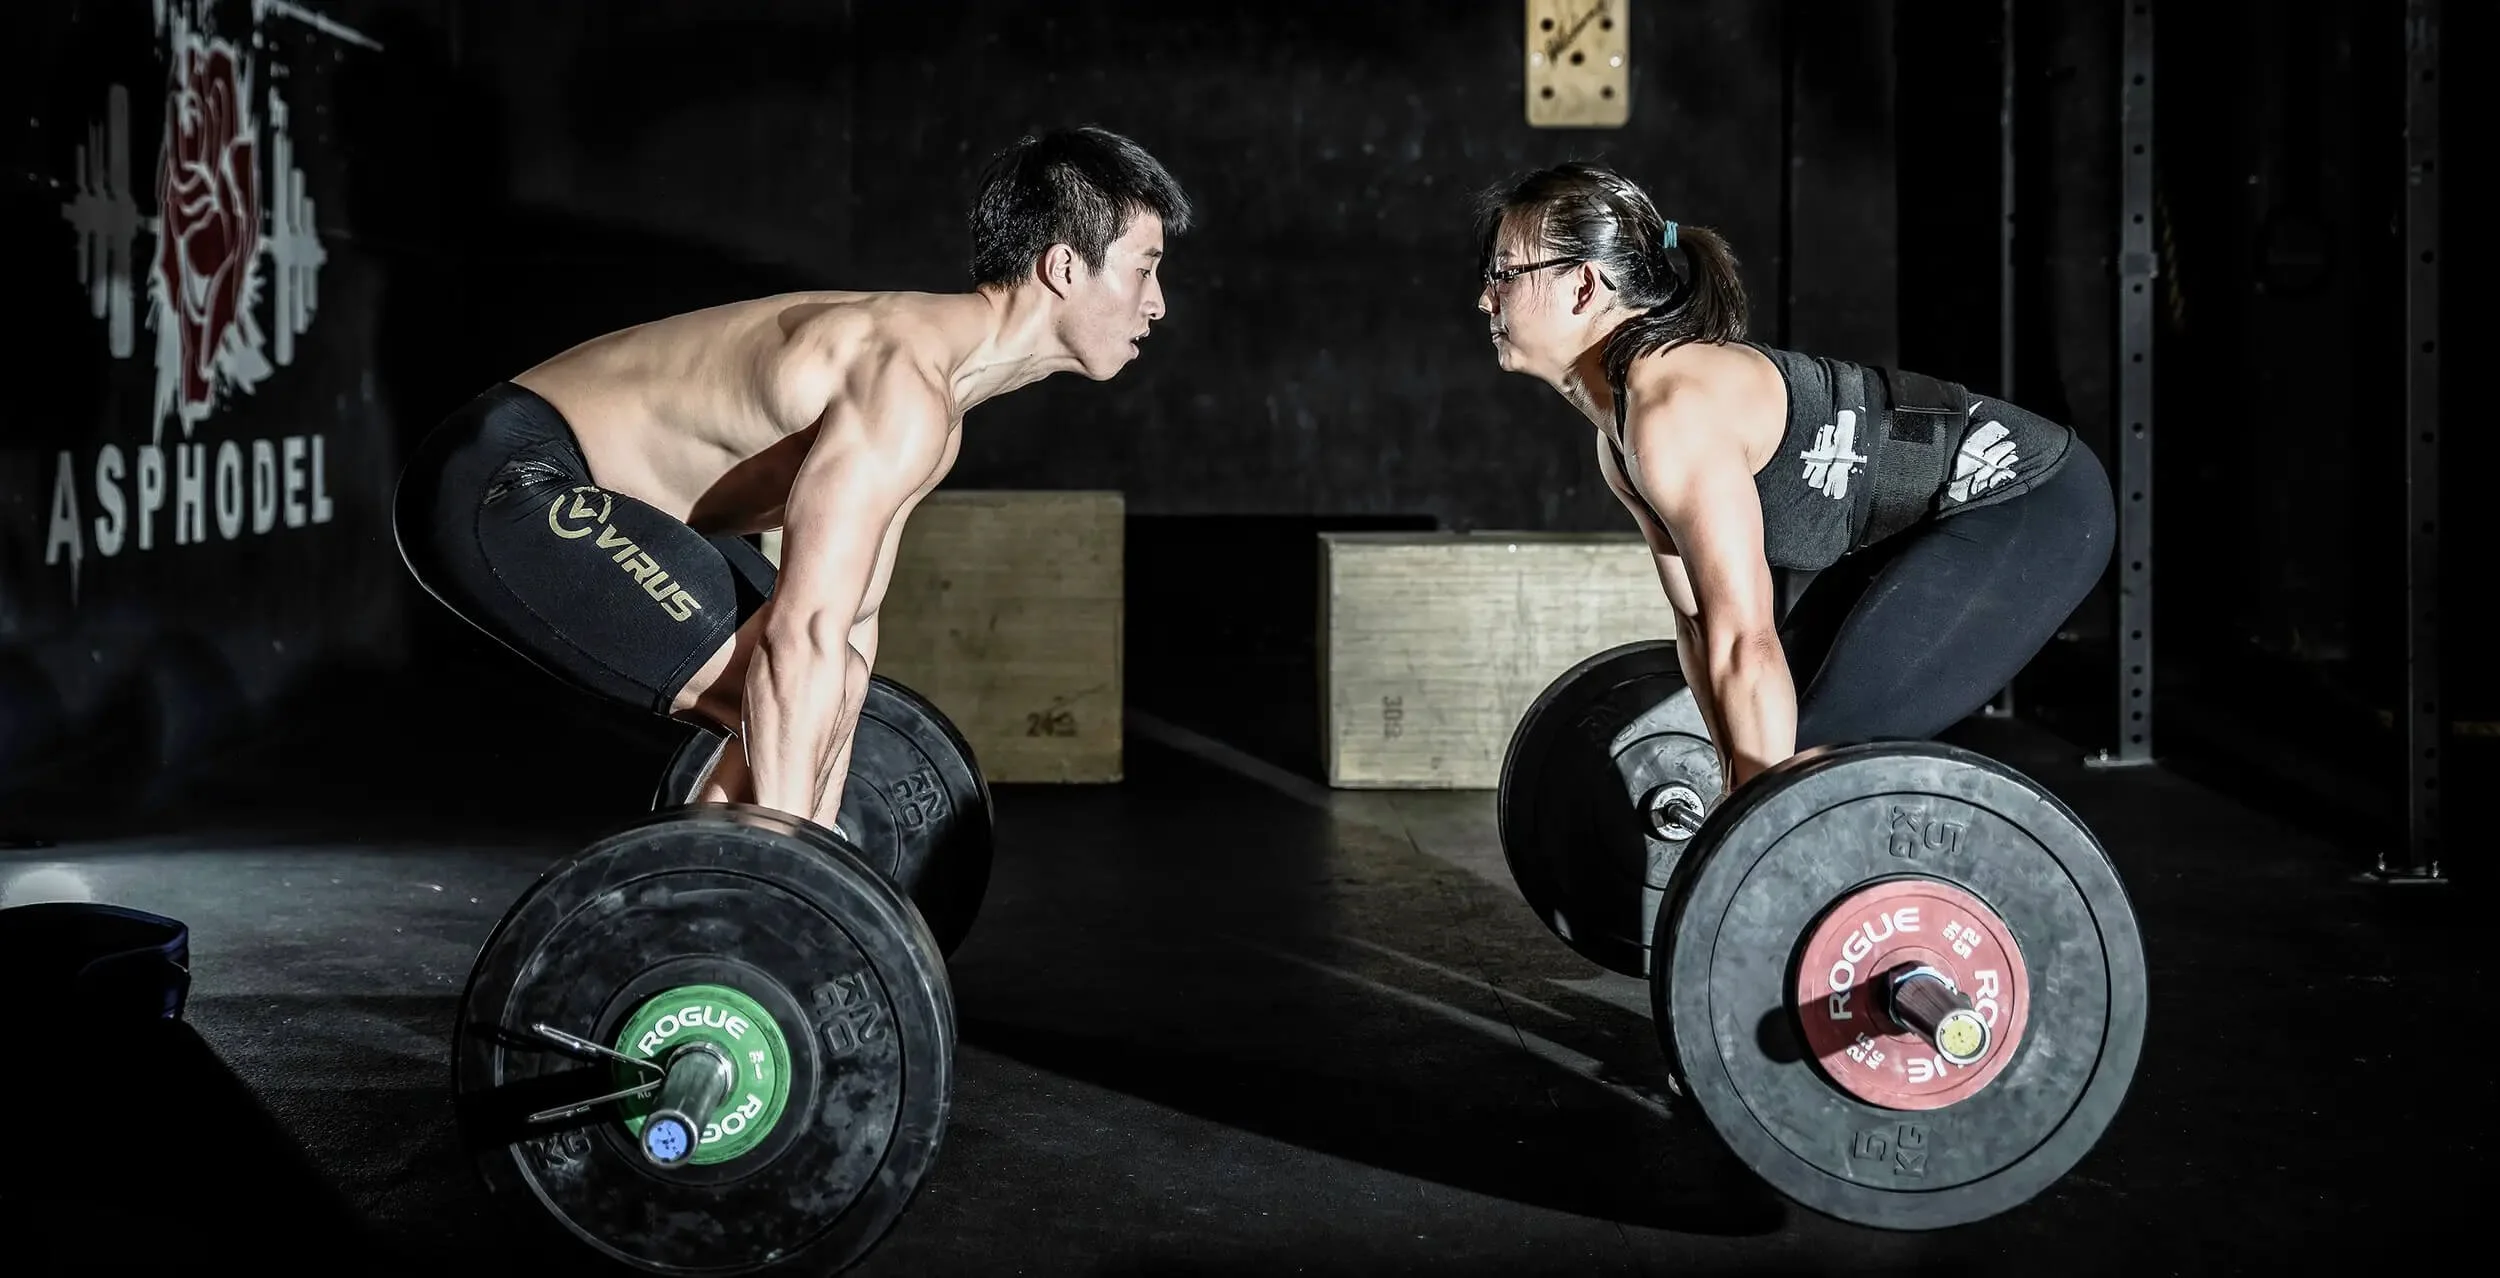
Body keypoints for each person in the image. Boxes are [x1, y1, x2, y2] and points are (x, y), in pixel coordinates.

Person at [393, 126, 1191, 832]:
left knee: (818, 689)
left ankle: (709, 914)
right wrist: (795, 865)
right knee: (785, 693)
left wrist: (813, 833)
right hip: (506, 480)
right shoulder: (901, 383)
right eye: (1144, 269)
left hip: (574, 483)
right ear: (1062, 267)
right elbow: (799, 642)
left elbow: (846, 634)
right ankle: (738, 889)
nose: (1156, 304)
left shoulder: (936, 407)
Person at [1473, 162, 2115, 792]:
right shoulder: (1620, 435)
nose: (1485, 297)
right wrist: (1732, 789)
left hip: (2032, 501)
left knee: (1807, 764)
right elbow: (1702, 628)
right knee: (1775, 743)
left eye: (1504, 273)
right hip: (1911, 526)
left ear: (1584, 286)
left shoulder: (1673, 410)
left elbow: (1745, 641)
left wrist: (1750, 834)